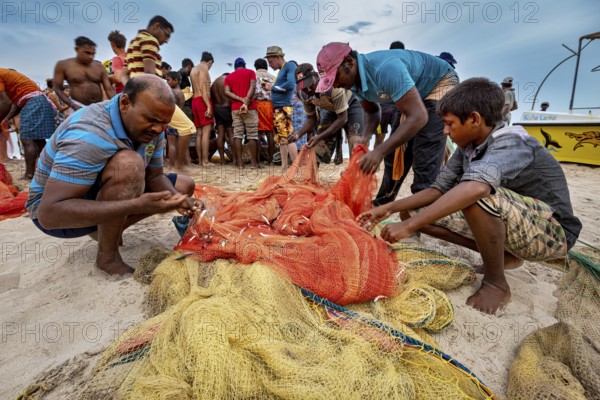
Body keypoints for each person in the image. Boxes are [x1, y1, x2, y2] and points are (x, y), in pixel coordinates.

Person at [357, 77, 582, 314]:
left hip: (552, 232)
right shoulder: (468, 146)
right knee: (411, 212)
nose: (444, 131)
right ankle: (504, 255)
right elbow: (437, 190)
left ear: (474, 119)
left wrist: (410, 227)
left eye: (449, 124)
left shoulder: (512, 141)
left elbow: (476, 188)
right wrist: (387, 209)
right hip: (515, 224)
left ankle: (497, 282)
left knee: (473, 194)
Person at [26, 75, 200, 275]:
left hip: (93, 191)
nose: (158, 129)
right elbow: (49, 215)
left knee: (183, 186)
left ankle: (102, 229)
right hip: (55, 214)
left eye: (164, 123)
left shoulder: (155, 127)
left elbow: (154, 177)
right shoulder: (89, 131)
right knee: (129, 164)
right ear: (125, 103)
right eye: (151, 120)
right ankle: (107, 258)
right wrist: (135, 205)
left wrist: (178, 200)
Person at [316, 42, 458, 206]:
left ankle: (421, 210)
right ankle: (383, 203)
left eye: (336, 77)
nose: (335, 85)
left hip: (439, 83)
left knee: (424, 151)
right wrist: (365, 138)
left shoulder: (385, 69)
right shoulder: (353, 82)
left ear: (349, 61)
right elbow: (372, 111)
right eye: (330, 81)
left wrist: (379, 151)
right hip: (413, 93)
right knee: (396, 152)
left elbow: (419, 116)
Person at [123, 15, 196, 169]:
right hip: (151, 96)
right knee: (188, 127)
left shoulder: (134, 42)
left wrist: (131, 91)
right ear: (156, 26)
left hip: (136, 96)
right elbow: (150, 74)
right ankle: (180, 166)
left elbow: (124, 73)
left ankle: (146, 167)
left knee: (144, 136)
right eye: (166, 35)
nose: (166, 40)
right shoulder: (150, 40)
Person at [289, 63, 363, 164]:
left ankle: (355, 176)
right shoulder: (303, 94)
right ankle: (311, 179)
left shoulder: (331, 86)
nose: (308, 89)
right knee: (316, 145)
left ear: (316, 77)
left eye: (309, 84)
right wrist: (298, 134)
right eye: (303, 87)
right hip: (332, 110)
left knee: (356, 143)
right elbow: (311, 119)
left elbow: (342, 118)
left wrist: (319, 136)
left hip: (352, 106)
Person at [1, 68, 57, 179]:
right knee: (38, 140)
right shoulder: (12, 81)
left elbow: (5, 102)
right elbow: (16, 105)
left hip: (33, 102)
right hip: (39, 101)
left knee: (27, 139)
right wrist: (6, 119)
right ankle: (47, 171)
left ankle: (30, 174)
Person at [53, 36, 114, 111]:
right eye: (87, 53)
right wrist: (73, 105)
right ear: (77, 49)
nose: (91, 56)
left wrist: (114, 105)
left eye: (93, 54)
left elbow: (108, 88)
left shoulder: (99, 67)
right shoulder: (63, 65)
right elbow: (57, 88)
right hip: (77, 106)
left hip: (98, 107)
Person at [265, 45, 298, 170]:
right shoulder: (282, 71)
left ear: (278, 57)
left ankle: (295, 168)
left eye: (271, 61)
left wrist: (272, 87)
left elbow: (290, 85)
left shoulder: (290, 66)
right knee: (281, 139)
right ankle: (285, 167)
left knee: (288, 138)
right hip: (279, 108)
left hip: (284, 108)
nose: (270, 65)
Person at [224, 58, 259, 169]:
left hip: (235, 108)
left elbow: (227, 92)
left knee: (237, 135)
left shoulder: (229, 77)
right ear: (244, 65)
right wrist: (246, 100)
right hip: (250, 107)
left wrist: (240, 99)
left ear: (235, 67)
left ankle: (240, 164)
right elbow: (252, 86)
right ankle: (253, 163)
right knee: (252, 135)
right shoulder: (251, 72)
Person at [190, 51, 215, 167]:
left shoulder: (193, 69)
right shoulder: (204, 69)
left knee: (199, 133)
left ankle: (200, 160)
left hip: (194, 100)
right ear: (209, 62)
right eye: (211, 65)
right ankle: (205, 161)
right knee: (206, 132)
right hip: (202, 101)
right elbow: (204, 88)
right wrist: (209, 106)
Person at [254, 58, 276, 164]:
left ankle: (257, 160)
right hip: (270, 105)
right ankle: (271, 160)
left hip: (258, 105)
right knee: (270, 132)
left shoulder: (254, 76)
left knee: (258, 132)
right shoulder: (273, 77)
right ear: (266, 66)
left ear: (256, 66)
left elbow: (254, 92)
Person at [211, 73, 234, 164]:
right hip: (227, 109)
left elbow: (211, 97)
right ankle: (235, 158)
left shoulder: (215, 82)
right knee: (231, 134)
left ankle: (222, 159)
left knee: (220, 135)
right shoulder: (228, 80)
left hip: (217, 109)